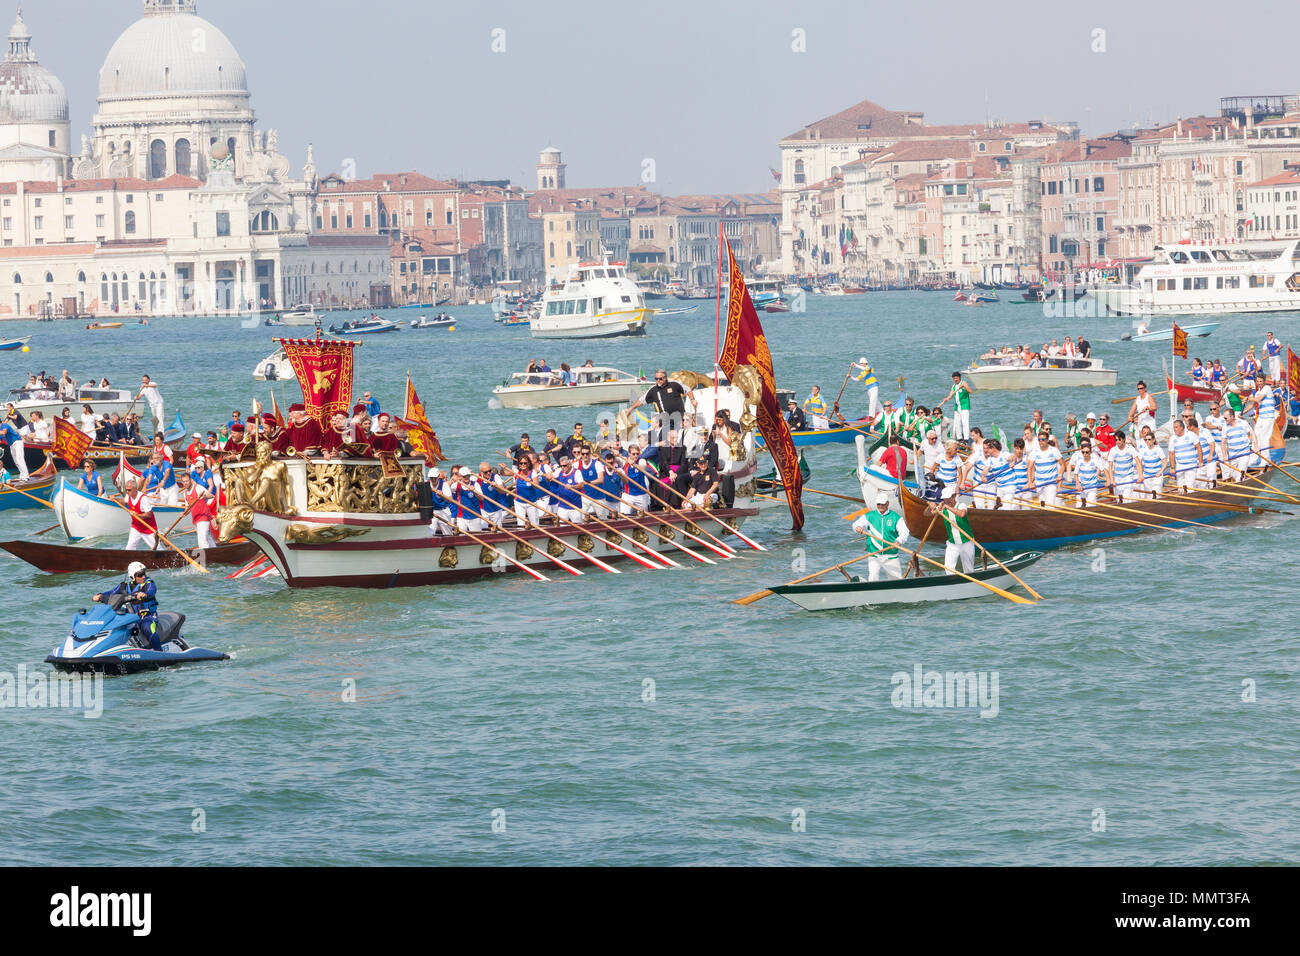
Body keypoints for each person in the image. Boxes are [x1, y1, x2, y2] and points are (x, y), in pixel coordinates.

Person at [93, 562, 162, 650]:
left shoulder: (149, 584)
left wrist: (145, 594)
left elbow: (151, 590)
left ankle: (159, 652)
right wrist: (100, 595)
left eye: (144, 573)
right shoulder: (124, 586)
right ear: (132, 576)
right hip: (131, 617)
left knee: (148, 629)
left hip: (148, 617)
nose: (143, 576)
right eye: (140, 575)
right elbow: (112, 592)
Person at [852, 492, 911, 581]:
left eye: (883, 504)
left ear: (887, 504)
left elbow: (905, 532)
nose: (880, 506)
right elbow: (856, 524)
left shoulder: (896, 518)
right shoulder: (870, 516)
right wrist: (858, 527)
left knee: (896, 580)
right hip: (874, 554)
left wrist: (898, 541)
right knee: (873, 578)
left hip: (891, 555)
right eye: (878, 504)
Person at [628, 370, 695, 444]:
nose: (658, 381)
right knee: (665, 442)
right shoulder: (653, 390)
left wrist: (692, 399)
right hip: (666, 421)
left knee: (681, 440)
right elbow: (642, 400)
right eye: (656, 379)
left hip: (679, 419)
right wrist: (631, 408)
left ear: (665, 378)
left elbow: (687, 389)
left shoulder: (674, 384)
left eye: (660, 379)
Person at [926, 493, 975, 573]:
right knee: (948, 568)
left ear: (954, 497)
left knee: (968, 569)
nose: (947, 500)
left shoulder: (961, 505)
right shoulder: (942, 507)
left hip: (966, 541)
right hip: (952, 543)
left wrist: (947, 507)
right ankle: (953, 582)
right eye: (945, 499)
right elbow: (927, 514)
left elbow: (962, 514)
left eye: (948, 498)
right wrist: (930, 506)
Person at [176, 469, 216, 548]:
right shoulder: (185, 494)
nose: (185, 483)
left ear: (190, 480)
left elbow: (211, 495)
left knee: (202, 542)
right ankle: (216, 552)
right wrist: (184, 513)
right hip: (196, 520)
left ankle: (207, 558)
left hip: (204, 518)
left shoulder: (198, 488)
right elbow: (188, 508)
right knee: (208, 539)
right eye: (183, 482)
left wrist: (204, 496)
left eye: (187, 481)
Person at [118, 478, 158, 550]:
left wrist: (137, 515)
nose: (127, 492)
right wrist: (115, 499)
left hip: (148, 528)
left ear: (135, 489)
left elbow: (149, 514)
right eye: (126, 490)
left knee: (157, 549)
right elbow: (123, 501)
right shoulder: (128, 496)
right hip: (136, 527)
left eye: (129, 490)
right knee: (129, 548)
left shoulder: (143, 499)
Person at [1025, 431, 1062, 507]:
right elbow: (1029, 468)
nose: (1041, 441)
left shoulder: (1054, 451)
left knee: (1050, 505)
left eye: (1043, 439)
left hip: (1051, 483)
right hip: (1039, 483)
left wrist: (1060, 475)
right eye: (1039, 440)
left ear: (1047, 440)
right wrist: (1030, 482)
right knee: (1042, 505)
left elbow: (1062, 464)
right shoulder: (1034, 452)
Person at [1220, 407, 1257, 481]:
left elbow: (1252, 433)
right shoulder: (1225, 427)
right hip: (1233, 455)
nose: (1224, 420)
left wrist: (1256, 447)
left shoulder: (1243, 423)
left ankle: (1241, 483)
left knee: (1240, 475)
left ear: (1232, 417)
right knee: (1234, 475)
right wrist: (1224, 456)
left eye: (1226, 418)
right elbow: (1223, 442)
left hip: (1244, 454)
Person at [1167, 417, 1202, 494]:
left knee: (1190, 487)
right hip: (1180, 466)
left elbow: (1199, 447)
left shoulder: (1191, 435)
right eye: (1174, 428)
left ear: (1182, 427)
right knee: (1180, 488)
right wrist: (1172, 468)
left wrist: (1200, 461)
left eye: (1176, 427)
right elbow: (1171, 454)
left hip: (1191, 465)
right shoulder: (1172, 438)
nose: (1174, 429)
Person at [1065, 439, 1104, 507]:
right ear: (1080, 446)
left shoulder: (1094, 455)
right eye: (1083, 445)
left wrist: (1096, 476)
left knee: (1090, 504)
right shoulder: (1076, 455)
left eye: (1087, 445)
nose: (1085, 447)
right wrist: (1068, 476)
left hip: (1091, 483)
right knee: (1079, 504)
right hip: (1080, 483)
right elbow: (1069, 465)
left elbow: (1099, 467)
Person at [1106, 431, 1139, 503]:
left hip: (1128, 478)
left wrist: (1141, 476)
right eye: (1116, 440)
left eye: (1119, 439)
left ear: (1123, 439)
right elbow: (1110, 466)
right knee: (1119, 500)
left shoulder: (1130, 449)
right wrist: (1112, 480)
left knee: (1126, 499)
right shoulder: (1113, 450)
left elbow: (1138, 462)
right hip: (1117, 478)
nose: (1117, 442)